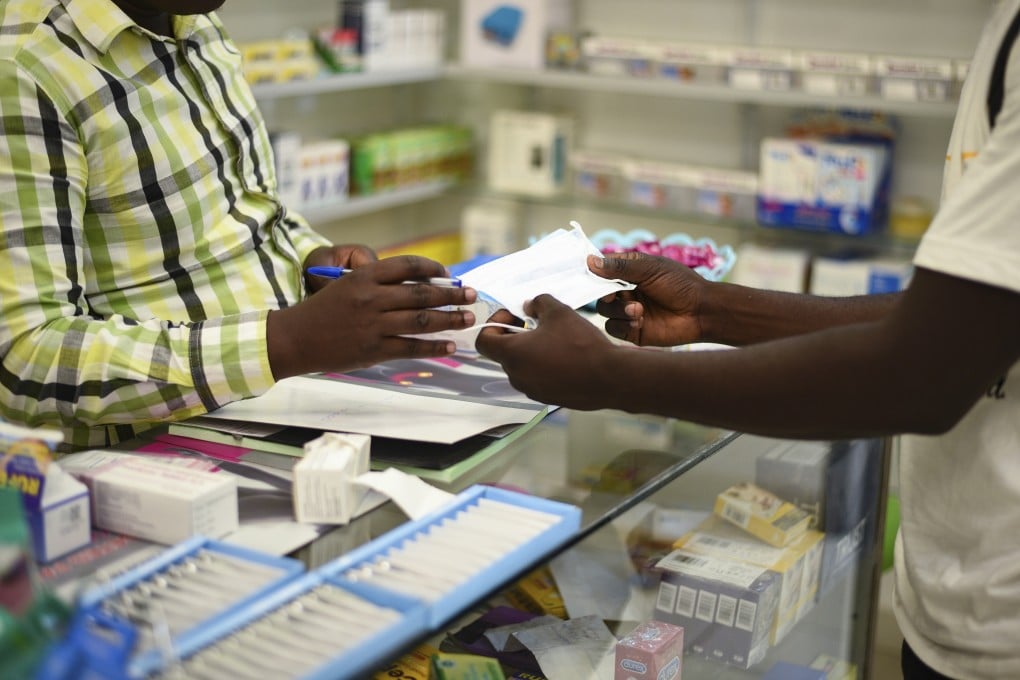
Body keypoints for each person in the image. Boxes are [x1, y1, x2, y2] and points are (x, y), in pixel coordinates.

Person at [477, 4, 1020, 680]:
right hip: (962, 601)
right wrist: (710, 308)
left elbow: (921, 374)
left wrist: (613, 378)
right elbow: (954, 318)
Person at [0, 0, 477, 450]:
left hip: (287, 404)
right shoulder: (25, 66)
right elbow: (25, 358)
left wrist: (309, 256)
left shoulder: (194, 22)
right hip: (159, 453)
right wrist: (287, 341)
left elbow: (246, 206)